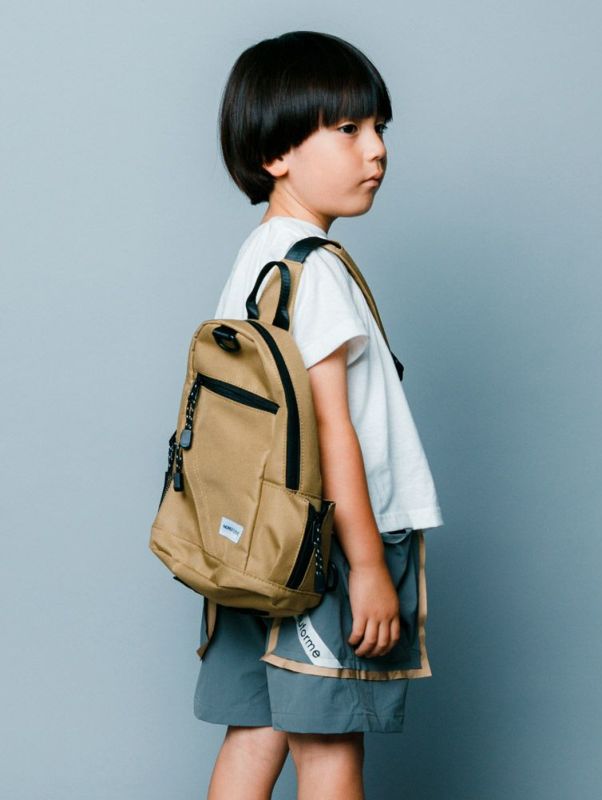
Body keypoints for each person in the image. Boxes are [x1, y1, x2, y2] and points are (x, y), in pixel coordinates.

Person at [191, 31, 445, 799]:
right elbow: (334, 429)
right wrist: (366, 569)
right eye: (348, 129)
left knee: (255, 733)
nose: (377, 150)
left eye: (379, 128)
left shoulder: (257, 258)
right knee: (330, 749)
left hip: (254, 544)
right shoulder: (316, 270)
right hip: (329, 552)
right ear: (276, 153)